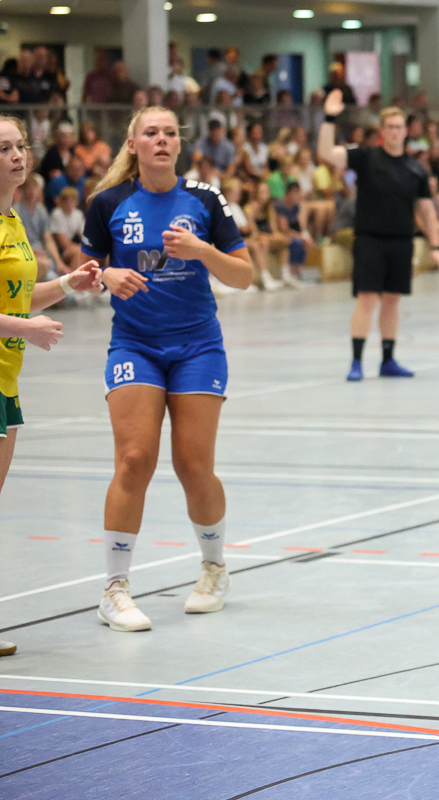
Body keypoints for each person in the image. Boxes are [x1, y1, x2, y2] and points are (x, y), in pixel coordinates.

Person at [82, 106, 253, 632]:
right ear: (133, 144)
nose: (161, 140)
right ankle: (114, 589)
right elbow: (87, 270)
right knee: (134, 458)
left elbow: (244, 275)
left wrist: (202, 250)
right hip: (135, 345)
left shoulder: (205, 199)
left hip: (198, 346)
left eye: (170, 133)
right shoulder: (108, 203)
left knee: (193, 465)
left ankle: (214, 569)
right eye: (151, 132)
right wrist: (106, 276)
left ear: (180, 144)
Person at [0, 115, 102, 657]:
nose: (17, 155)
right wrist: (25, 329)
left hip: (6, 379)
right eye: (3, 149)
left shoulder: (14, 218)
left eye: (19, 145)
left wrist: (67, 282)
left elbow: (19, 296)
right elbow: (16, 315)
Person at [318, 90, 439, 381]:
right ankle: (356, 361)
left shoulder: (416, 168)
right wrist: (329, 118)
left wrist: (436, 245)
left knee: (392, 300)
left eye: (399, 127)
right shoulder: (365, 157)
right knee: (367, 299)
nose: (395, 132)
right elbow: (326, 153)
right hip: (370, 240)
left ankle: (388, 359)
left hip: (401, 241)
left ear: (406, 131)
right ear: (383, 131)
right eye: (390, 127)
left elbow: (427, 210)